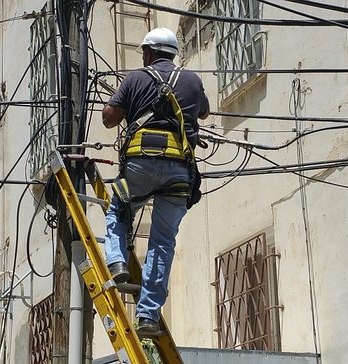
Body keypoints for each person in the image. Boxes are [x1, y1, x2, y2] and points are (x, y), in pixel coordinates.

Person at [102, 27, 210, 333]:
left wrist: (121, 102)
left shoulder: (136, 78)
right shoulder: (191, 80)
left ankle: (117, 262)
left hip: (140, 166)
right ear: (173, 54)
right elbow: (203, 113)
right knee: (163, 244)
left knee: (119, 210)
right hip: (179, 172)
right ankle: (148, 315)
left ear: (149, 53)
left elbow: (109, 118)